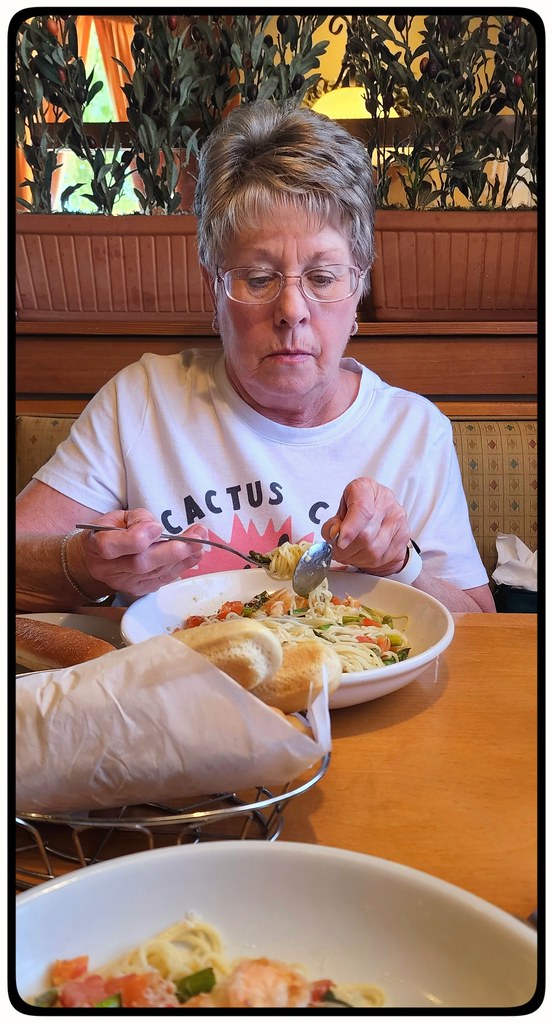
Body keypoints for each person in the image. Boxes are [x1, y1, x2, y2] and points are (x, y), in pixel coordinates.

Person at [16, 101, 495, 613]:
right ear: (214, 290)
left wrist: (401, 564)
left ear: (359, 288)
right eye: (259, 278)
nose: (292, 311)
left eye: (322, 278)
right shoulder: (142, 399)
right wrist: (86, 563)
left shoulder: (414, 431)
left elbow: (482, 628)